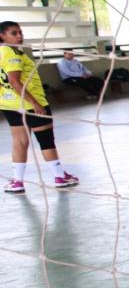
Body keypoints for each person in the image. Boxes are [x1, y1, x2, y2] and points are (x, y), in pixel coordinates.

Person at [0, 22, 78, 193]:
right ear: (2, 36)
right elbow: (14, 81)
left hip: (10, 105)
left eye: (20, 32)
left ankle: (17, 181)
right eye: (14, 33)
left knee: (19, 142)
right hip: (30, 104)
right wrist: (35, 103)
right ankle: (59, 176)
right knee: (46, 140)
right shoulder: (12, 54)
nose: (19, 36)